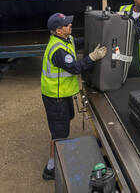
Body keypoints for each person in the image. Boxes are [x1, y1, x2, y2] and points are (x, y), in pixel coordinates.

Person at [41, 12, 107, 181]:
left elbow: (78, 42)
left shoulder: (66, 39)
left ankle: (56, 159)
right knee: (59, 133)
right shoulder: (58, 50)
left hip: (63, 94)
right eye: (67, 25)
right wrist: (93, 57)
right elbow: (76, 68)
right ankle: (51, 168)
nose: (70, 25)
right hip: (56, 97)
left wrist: (97, 35)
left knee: (63, 126)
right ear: (58, 30)